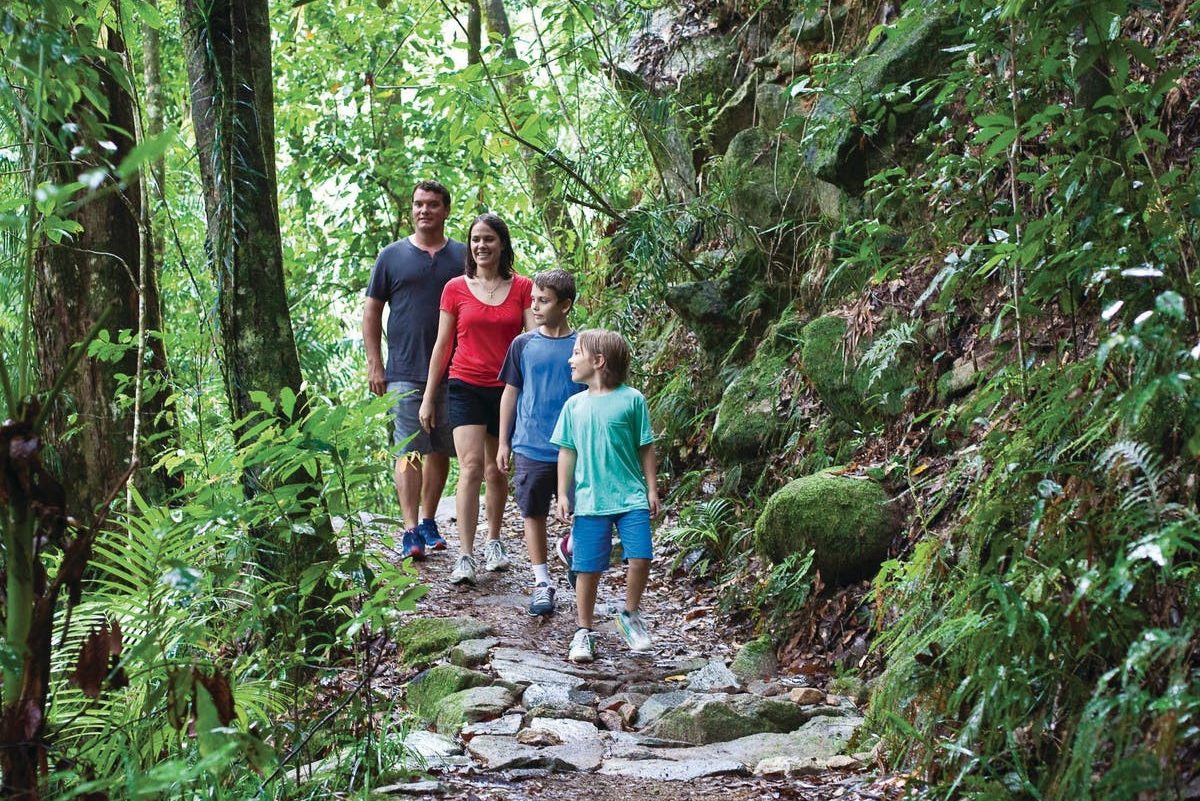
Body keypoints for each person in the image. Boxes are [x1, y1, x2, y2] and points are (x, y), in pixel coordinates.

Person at [420, 213, 534, 586]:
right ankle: (465, 555)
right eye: (475, 240)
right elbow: (442, 345)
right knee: (469, 467)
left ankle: (494, 541)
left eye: (488, 239)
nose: (481, 246)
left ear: (502, 244)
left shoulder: (523, 288)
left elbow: (534, 342)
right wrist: (427, 397)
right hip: (464, 384)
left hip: (506, 389)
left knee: (495, 468)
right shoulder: (455, 288)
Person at [363, 180, 464, 561]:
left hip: (455, 370)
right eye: (419, 204)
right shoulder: (391, 256)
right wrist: (376, 363)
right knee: (408, 448)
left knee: (440, 448)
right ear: (412, 209)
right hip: (403, 368)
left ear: (445, 210)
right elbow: (372, 311)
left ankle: (428, 519)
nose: (424, 211)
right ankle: (409, 530)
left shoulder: (461, 257)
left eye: (433, 205)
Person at [552, 329, 659, 663]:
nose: (570, 359)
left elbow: (646, 447)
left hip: (630, 497)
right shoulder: (574, 406)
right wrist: (562, 494)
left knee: (640, 557)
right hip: (590, 500)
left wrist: (652, 488)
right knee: (588, 569)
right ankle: (583, 631)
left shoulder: (632, 400)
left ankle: (630, 615)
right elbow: (566, 452)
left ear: (598, 361)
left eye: (577, 353)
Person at [496, 269, 584, 617]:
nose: (534, 306)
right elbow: (511, 393)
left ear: (565, 305)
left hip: (575, 447)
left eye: (543, 301)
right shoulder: (523, 344)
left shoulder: (583, 345)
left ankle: (574, 550)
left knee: (583, 511)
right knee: (533, 512)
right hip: (531, 444)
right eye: (533, 299)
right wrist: (504, 442)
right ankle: (541, 581)